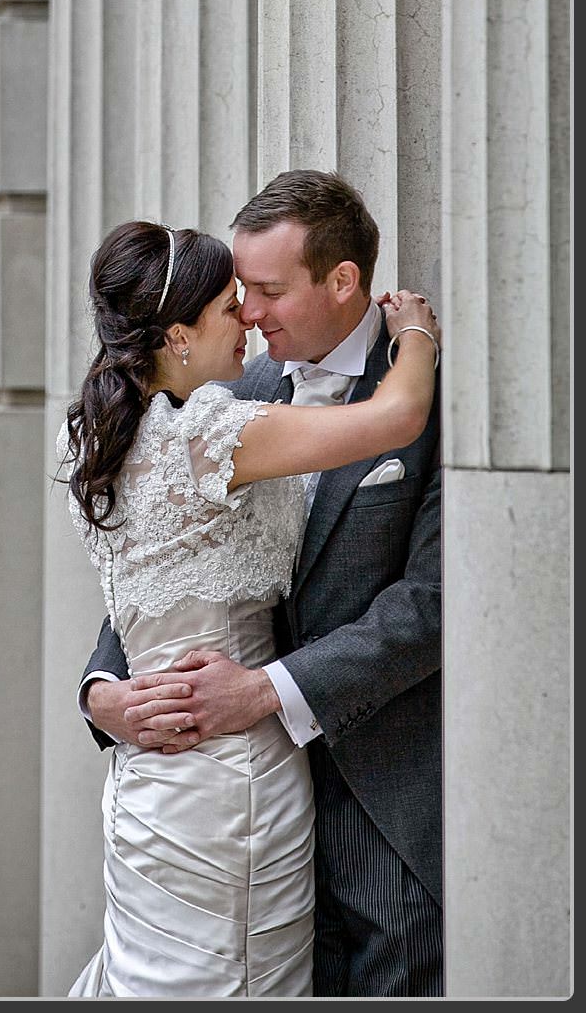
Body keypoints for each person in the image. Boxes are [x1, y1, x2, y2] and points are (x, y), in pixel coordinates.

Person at [79, 172, 445, 995]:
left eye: (268, 291)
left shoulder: (430, 396)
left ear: (343, 280)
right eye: (237, 295)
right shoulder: (222, 399)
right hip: (214, 788)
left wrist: (268, 692)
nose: (247, 313)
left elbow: (435, 602)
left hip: (375, 800)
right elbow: (146, 575)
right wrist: (103, 692)